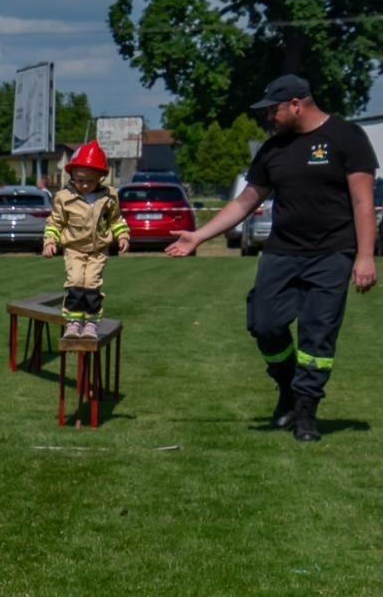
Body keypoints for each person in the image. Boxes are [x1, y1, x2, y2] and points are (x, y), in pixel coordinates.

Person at [167, 74, 377, 441]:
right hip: (282, 251)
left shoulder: (347, 138)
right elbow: (246, 201)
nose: (268, 118)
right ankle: (287, 389)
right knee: (264, 324)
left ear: (297, 103)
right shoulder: (273, 148)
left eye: (273, 110)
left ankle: (307, 413)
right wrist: (198, 235)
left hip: (332, 253)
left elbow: (363, 202)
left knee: (318, 334)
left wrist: (364, 257)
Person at [42, 140, 129, 339]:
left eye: (90, 181)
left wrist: (122, 235)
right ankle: (73, 323)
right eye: (80, 180)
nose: (85, 185)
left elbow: (116, 220)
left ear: (101, 177)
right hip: (74, 249)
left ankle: (90, 323)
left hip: (98, 250)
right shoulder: (64, 197)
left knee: (91, 282)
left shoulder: (109, 197)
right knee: (75, 280)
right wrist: (49, 241)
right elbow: (55, 222)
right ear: (72, 175)